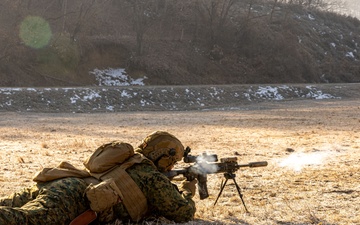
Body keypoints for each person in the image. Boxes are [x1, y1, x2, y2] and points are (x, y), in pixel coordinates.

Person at [0, 131, 197, 225]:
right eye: (172, 161)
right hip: (73, 199)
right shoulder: (152, 177)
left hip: (62, 182)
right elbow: (183, 213)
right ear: (162, 156)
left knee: (7, 204)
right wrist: (188, 191)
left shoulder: (127, 161)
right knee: (22, 221)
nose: (172, 167)